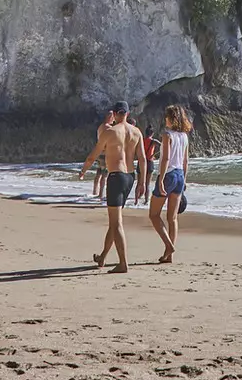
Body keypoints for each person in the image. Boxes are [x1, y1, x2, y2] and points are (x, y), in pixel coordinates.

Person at [76, 103, 145, 273]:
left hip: (116, 177)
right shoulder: (136, 132)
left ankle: (123, 263)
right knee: (114, 222)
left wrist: (84, 170)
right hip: (130, 177)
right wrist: (142, 183)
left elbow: (94, 154)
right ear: (128, 113)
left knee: (117, 223)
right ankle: (103, 257)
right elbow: (142, 158)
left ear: (114, 114)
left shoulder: (110, 132)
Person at [152, 104, 192, 264]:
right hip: (180, 175)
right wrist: (185, 180)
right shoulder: (184, 136)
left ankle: (169, 246)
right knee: (172, 218)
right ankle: (169, 255)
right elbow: (185, 160)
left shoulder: (167, 135)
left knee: (154, 215)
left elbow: (166, 158)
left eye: (166, 117)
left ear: (170, 118)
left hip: (169, 174)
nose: (165, 120)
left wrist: (160, 179)